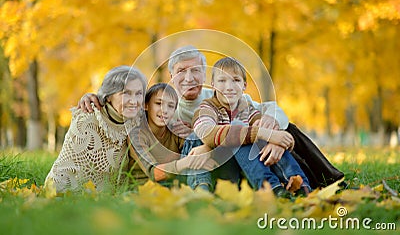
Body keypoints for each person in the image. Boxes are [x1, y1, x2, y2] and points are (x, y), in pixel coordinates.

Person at [78, 45, 344, 189]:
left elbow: (269, 108)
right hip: (209, 168)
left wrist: (273, 131)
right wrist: (95, 97)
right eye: (181, 71)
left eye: (196, 71)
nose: (189, 77)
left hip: (241, 158)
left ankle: (325, 179)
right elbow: (126, 97)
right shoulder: (163, 103)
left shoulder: (220, 94)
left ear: (205, 76)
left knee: (288, 130)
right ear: (172, 77)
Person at [190, 57, 311, 198]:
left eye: (236, 80)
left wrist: (274, 139)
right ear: (213, 85)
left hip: (250, 167)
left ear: (244, 85)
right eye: (222, 81)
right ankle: (271, 188)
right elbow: (207, 133)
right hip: (226, 173)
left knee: (260, 135)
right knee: (238, 129)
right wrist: (262, 134)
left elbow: (263, 128)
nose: (229, 87)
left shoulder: (247, 109)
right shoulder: (205, 108)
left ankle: (300, 185)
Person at [45, 66, 147, 193]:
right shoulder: (88, 120)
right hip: (78, 197)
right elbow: (65, 172)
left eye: (139, 94)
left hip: (122, 200)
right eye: (126, 93)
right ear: (108, 96)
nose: (134, 101)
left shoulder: (140, 120)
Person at [128, 83, 217, 189]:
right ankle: (202, 192)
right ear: (146, 105)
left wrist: (205, 148)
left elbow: (194, 145)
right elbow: (154, 173)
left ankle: (202, 191)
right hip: (148, 189)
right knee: (196, 160)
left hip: (175, 184)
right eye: (158, 103)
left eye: (170, 106)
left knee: (194, 138)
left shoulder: (175, 130)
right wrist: (189, 162)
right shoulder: (136, 136)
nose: (164, 110)